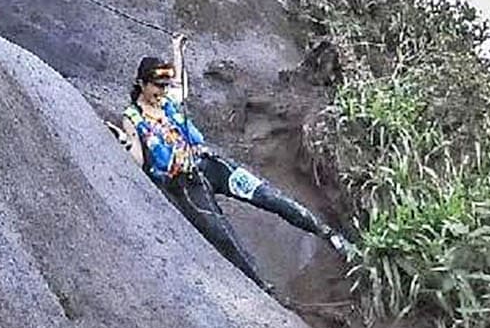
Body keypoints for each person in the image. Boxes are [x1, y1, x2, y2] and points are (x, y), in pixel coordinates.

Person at [113, 33, 352, 294]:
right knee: (224, 237)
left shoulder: (168, 100)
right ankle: (266, 289)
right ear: (142, 84)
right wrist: (123, 141)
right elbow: (139, 159)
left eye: (164, 85)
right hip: (184, 185)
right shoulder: (132, 117)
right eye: (157, 86)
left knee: (269, 197)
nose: (162, 90)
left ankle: (329, 235)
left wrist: (177, 49)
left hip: (210, 165)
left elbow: (180, 84)